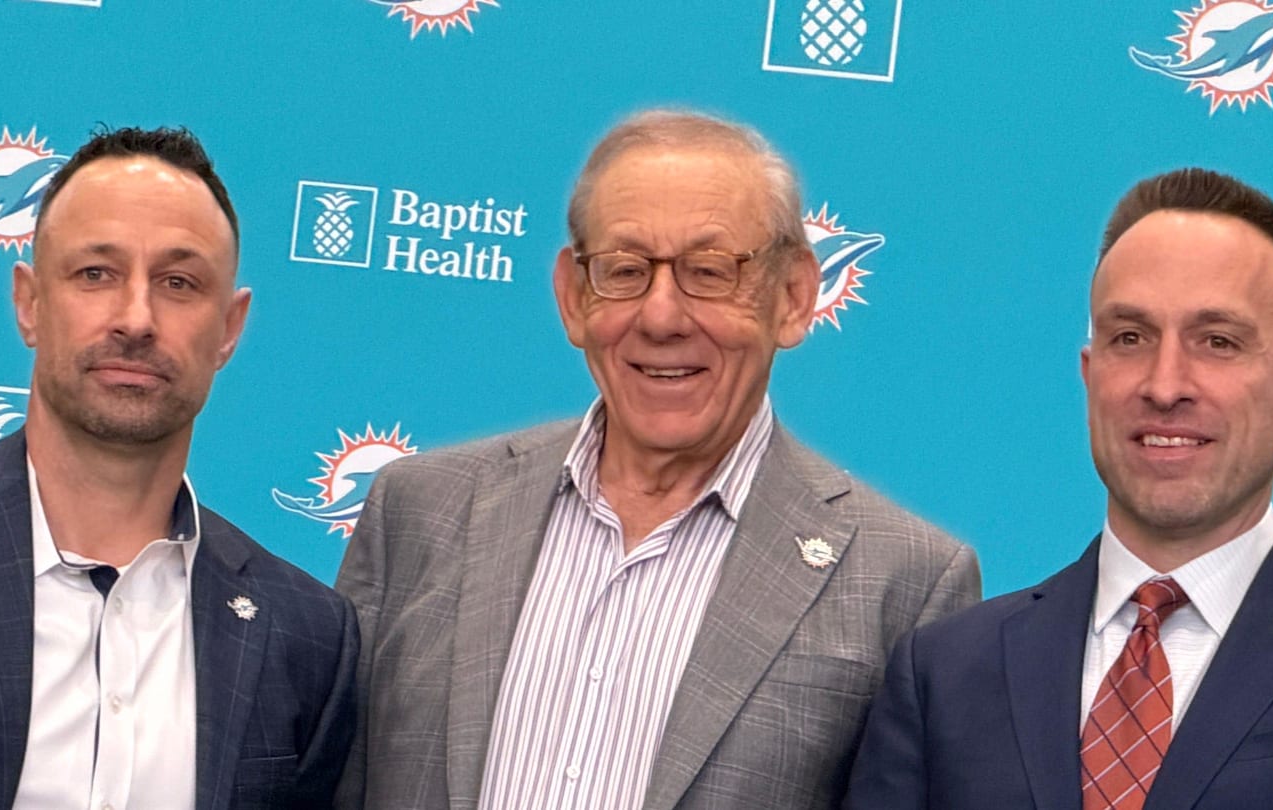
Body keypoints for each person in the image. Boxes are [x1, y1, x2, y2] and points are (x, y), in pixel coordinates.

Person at [335, 109, 980, 810]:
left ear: (795, 296)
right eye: (625, 271)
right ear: (573, 297)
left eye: (710, 272)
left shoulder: (905, 582)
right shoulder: (418, 510)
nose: (662, 317)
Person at [845, 167, 1273, 809]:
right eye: (1130, 338)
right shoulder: (943, 673)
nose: (1164, 385)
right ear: (1090, 374)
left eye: (1218, 341)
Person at [0, 126, 358, 810]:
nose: (135, 319)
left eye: (178, 282)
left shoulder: (307, 635)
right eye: (95, 274)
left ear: (229, 329)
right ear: (29, 303)